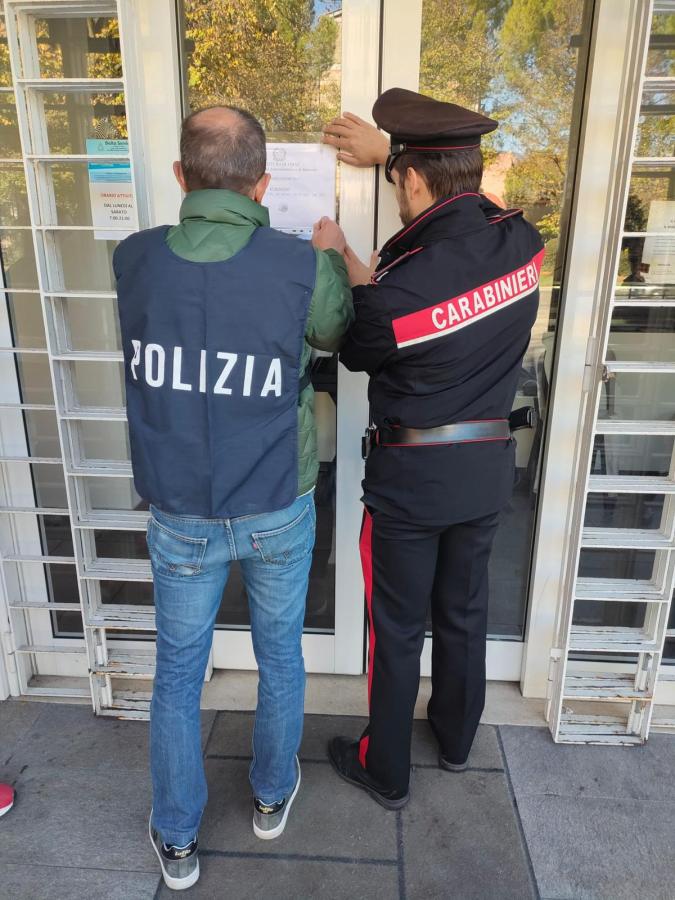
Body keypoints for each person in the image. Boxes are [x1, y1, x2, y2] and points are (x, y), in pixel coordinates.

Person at [113, 106, 352, 891]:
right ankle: (270, 795)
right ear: (262, 184)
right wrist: (326, 254)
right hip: (277, 499)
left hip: (180, 507)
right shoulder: (294, 263)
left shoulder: (135, 260)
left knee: (179, 674)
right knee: (278, 655)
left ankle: (177, 836)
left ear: (181, 177)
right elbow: (333, 331)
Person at [321, 88, 544, 809]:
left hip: (410, 482)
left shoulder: (396, 291)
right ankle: (454, 741)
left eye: (396, 181)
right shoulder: (522, 243)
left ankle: (383, 766)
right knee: (462, 612)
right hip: (483, 473)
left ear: (413, 178)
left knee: (395, 627)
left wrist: (337, 258)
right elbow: (457, 232)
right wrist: (394, 157)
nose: (394, 195)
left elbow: (367, 341)